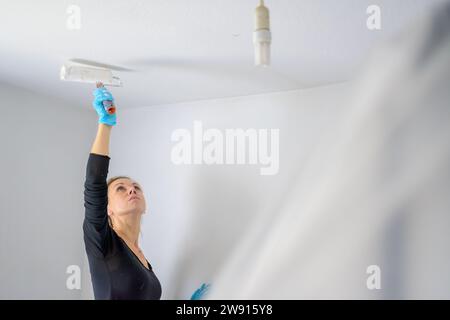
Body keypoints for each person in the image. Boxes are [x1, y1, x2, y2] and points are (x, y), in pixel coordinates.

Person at [83, 82, 162, 300]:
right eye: (121, 188)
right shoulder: (102, 241)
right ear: (107, 208)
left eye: (136, 187)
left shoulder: (142, 257)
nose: (131, 190)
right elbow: (94, 181)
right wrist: (105, 124)